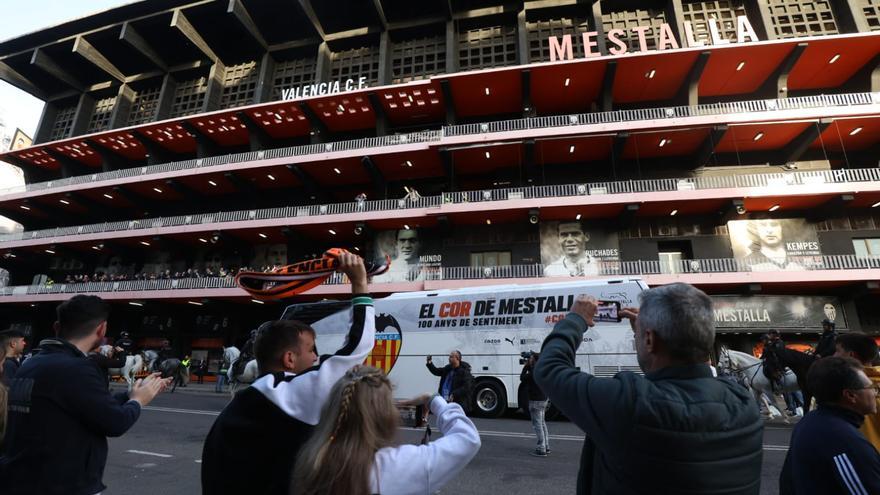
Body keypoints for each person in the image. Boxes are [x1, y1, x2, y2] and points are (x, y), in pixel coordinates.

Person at [534, 284, 763, 494]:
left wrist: (575, 319)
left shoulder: (629, 402)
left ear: (650, 340)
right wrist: (645, 335)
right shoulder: (745, 403)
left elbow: (549, 369)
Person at [201, 252, 375, 495]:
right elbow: (356, 349)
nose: (316, 357)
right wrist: (359, 284)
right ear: (289, 359)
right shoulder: (288, 392)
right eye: (311, 350)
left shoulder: (243, 404)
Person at [1, 295, 170, 495]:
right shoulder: (77, 368)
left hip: (23, 479)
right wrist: (139, 401)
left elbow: (86, 406)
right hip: (63, 484)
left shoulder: (32, 364)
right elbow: (115, 422)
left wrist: (129, 395)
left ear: (57, 327)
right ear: (102, 330)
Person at [292, 365, 481, 494]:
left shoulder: (310, 460)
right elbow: (467, 438)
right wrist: (433, 399)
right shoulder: (397, 465)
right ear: (384, 414)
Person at [779, 357, 880, 495]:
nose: (875, 393)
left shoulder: (809, 420)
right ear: (850, 395)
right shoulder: (846, 443)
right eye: (871, 387)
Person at [834, 332, 880, 451]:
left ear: (851, 355)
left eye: (838, 351)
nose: (834, 356)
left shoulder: (841, 390)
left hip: (860, 460)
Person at [520, 352, 550, 456]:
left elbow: (522, 378)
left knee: (538, 425)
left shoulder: (533, 372)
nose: (530, 359)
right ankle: (546, 446)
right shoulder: (542, 369)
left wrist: (525, 367)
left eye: (531, 358)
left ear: (535, 360)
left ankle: (541, 448)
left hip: (535, 401)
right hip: (543, 399)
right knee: (542, 423)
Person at [426, 350, 474, 415]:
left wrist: (454, 394)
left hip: (457, 402)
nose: (449, 358)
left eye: (451, 357)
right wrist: (430, 363)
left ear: (457, 358)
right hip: (445, 400)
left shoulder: (464, 372)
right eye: (449, 357)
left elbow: (467, 387)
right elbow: (436, 371)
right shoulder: (448, 368)